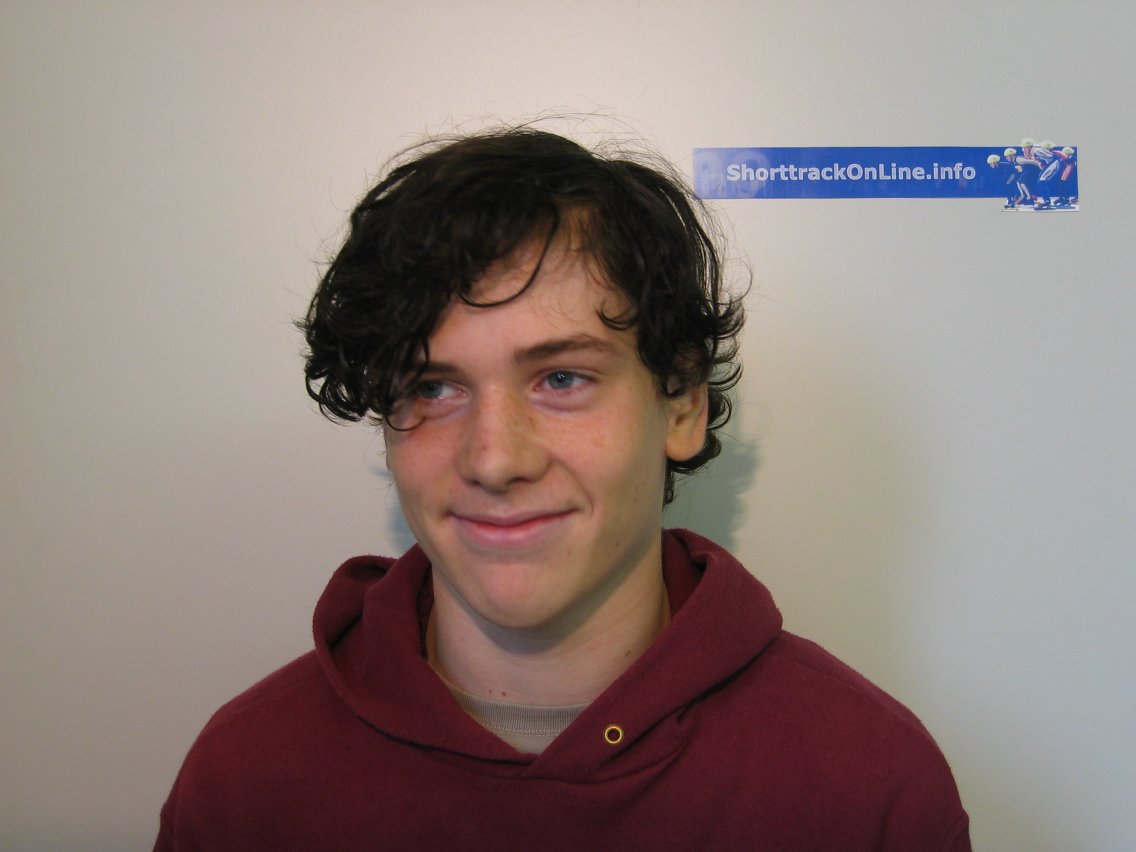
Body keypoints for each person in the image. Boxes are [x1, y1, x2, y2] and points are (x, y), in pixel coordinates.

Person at [155, 127, 970, 850]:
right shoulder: (247, 781)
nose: (494, 459)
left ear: (681, 403)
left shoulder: (867, 786)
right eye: (433, 387)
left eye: (562, 378)